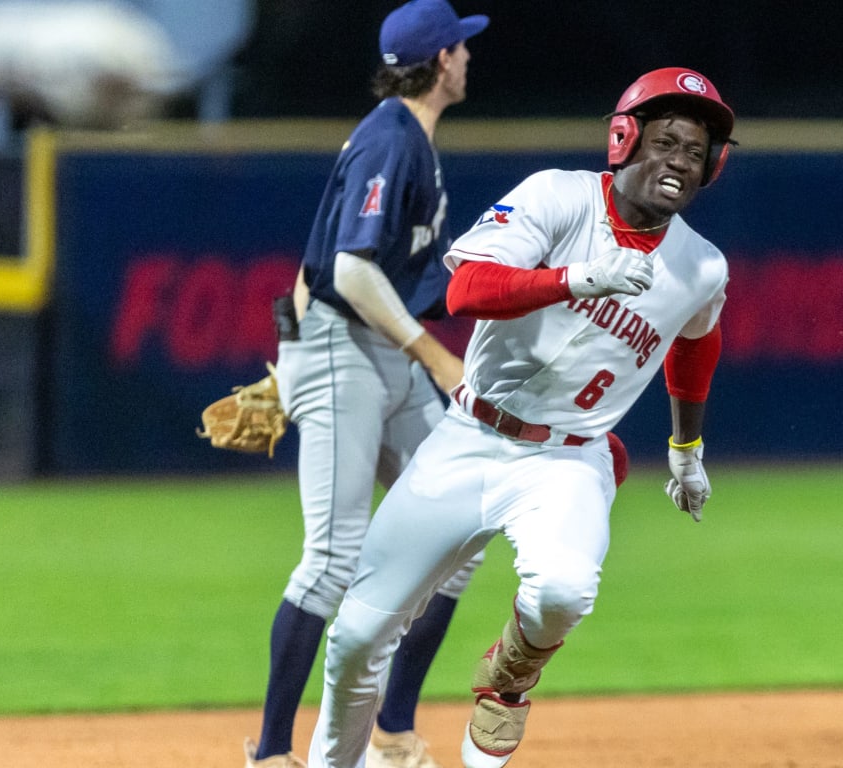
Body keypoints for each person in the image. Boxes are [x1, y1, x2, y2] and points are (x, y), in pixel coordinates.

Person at [303, 66, 736, 768]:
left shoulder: (701, 266)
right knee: (355, 637)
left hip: (567, 459)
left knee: (565, 589)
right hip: (467, 438)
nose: (681, 160)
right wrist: (575, 277)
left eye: (696, 151)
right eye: (667, 141)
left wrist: (686, 447)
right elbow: (469, 287)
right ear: (624, 139)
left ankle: (510, 676)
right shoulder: (557, 196)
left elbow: (696, 342)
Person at [244, 2, 489, 767]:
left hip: (370, 351)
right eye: (461, 46)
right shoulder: (392, 138)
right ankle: (272, 753)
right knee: (330, 559)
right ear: (441, 60)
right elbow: (346, 268)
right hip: (346, 349)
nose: (469, 57)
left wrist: (285, 361)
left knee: (460, 533)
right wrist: (436, 357)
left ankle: (389, 731)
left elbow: (323, 249)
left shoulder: (403, 136)